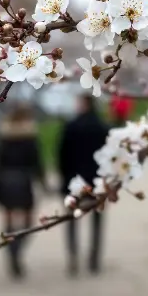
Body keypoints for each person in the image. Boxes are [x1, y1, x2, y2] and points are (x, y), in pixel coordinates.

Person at [58, 94, 110, 276]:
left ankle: (73, 257)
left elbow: (62, 155)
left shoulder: (71, 127)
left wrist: (63, 178)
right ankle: (94, 258)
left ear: (85, 105)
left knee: (71, 219)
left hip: (74, 180)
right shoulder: (103, 127)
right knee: (97, 220)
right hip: (97, 181)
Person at [0, 103, 46, 280]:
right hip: (23, 180)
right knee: (28, 221)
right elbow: (37, 161)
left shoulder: (3, 136)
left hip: (6, 181)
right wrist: (43, 181)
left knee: (8, 221)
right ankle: (17, 250)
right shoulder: (29, 136)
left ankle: (11, 253)